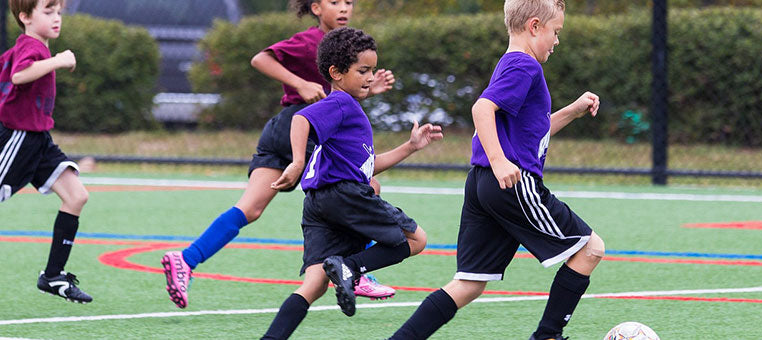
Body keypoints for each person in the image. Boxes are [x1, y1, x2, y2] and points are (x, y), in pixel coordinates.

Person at [160, 0, 398, 309]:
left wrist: (368, 88)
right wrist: (299, 83)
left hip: (282, 129)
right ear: (315, 8)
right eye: (334, 2)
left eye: (349, 2)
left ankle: (186, 259)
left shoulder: (342, 49)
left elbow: (336, 98)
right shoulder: (311, 41)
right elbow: (261, 59)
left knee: (250, 208)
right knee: (366, 187)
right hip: (299, 128)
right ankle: (356, 273)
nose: (344, 8)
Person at [388, 1, 603, 339]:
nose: (557, 41)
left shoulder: (510, 63)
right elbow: (482, 109)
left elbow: (531, 131)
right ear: (534, 26)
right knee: (590, 249)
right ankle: (547, 335)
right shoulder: (525, 66)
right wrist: (502, 161)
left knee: (468, 285)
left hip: (482, 184)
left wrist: (572, 111)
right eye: (555, 32)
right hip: (511, 181)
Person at [260, 26, 442, 339]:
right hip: (345, 196)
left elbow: (368, 166)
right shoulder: (341, 104)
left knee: (314, 285)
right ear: (336, 73)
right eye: (363, 71)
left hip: (319, 204)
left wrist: (410, 147)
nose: (371, 78)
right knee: (417, 240)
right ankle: (351, 268)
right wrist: (297, 162)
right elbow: (301, 118)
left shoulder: (348, 110)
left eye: (372, 70)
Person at [0, 0, 92, 303]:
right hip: (18, 139)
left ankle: (53, 275)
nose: (57, 19)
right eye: (48, 11)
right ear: (25, 17)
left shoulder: (30, 48)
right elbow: (19, 76)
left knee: (76, 195)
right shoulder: (33, 47)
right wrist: (59, 60)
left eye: (59, 12)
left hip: (39, 141)